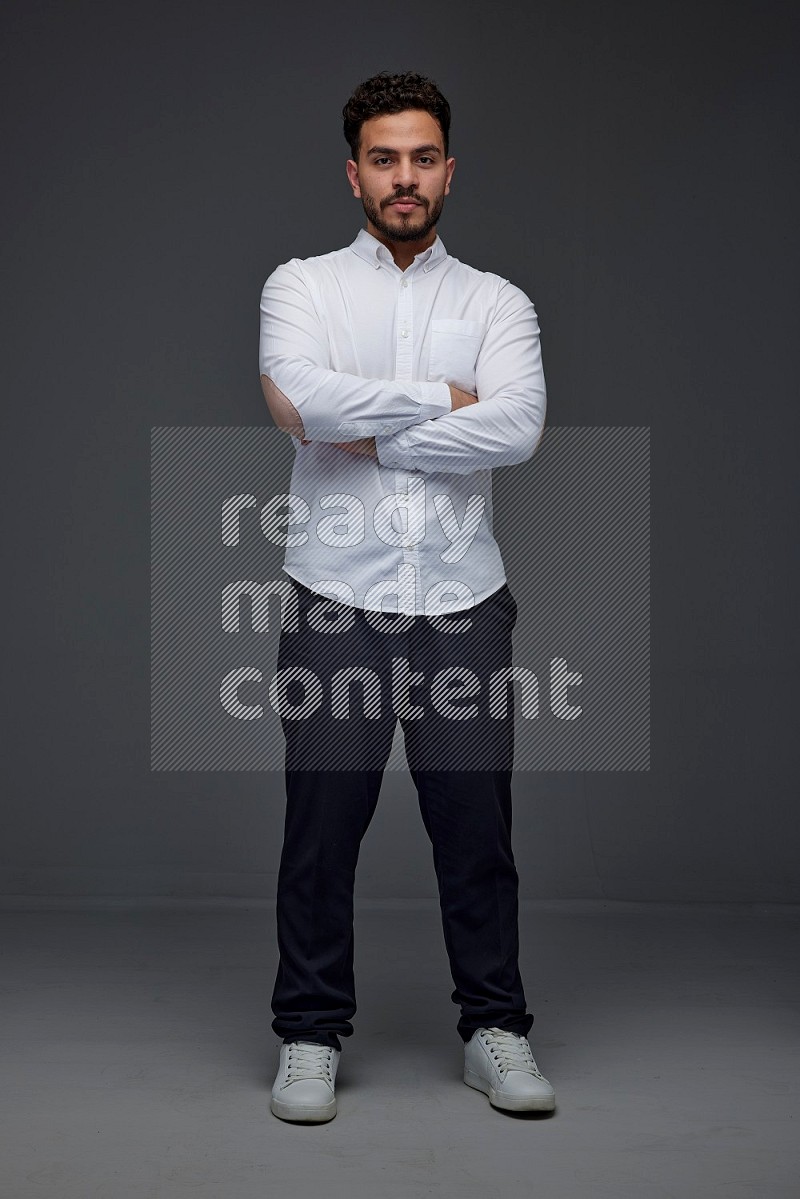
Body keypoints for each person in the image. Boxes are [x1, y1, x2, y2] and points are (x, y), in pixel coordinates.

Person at [259, 70, 554, 1123]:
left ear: (447, 170)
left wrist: (360, 420)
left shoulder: (494, 302)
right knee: (321, 827)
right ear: (353, 173)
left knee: (473, 825)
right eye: (383, 157)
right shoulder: (300, 286)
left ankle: (493, 1026)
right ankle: (306, 1031)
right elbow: (297, 399)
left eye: (421, 157)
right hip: (335, 598)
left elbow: (515, 429)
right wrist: (441, 403)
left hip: (462, 607)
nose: (403, 176)